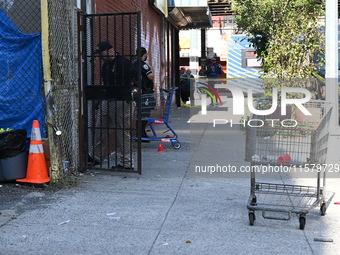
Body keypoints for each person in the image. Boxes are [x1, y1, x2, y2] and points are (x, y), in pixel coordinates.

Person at [91, 41, 135, 170]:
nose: (101, 56)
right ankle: (95, 156)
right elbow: (106, 85)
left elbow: (131, 79)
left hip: (122, 99)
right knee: (100, 127)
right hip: (108, 99)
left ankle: (127, 163)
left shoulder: (123, 63)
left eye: (102, 53)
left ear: (109, 51)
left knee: (123, 131)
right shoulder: (106, 66)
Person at [133, 47, 155, 141]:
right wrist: (151, 69)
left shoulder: (134, 64)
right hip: (145, 92)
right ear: (144, 54)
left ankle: (141, 133)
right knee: (145, 114)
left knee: (140, 114)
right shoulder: (143, 65)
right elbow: (150, 76)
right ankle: (141, 134)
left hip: (138, 92)